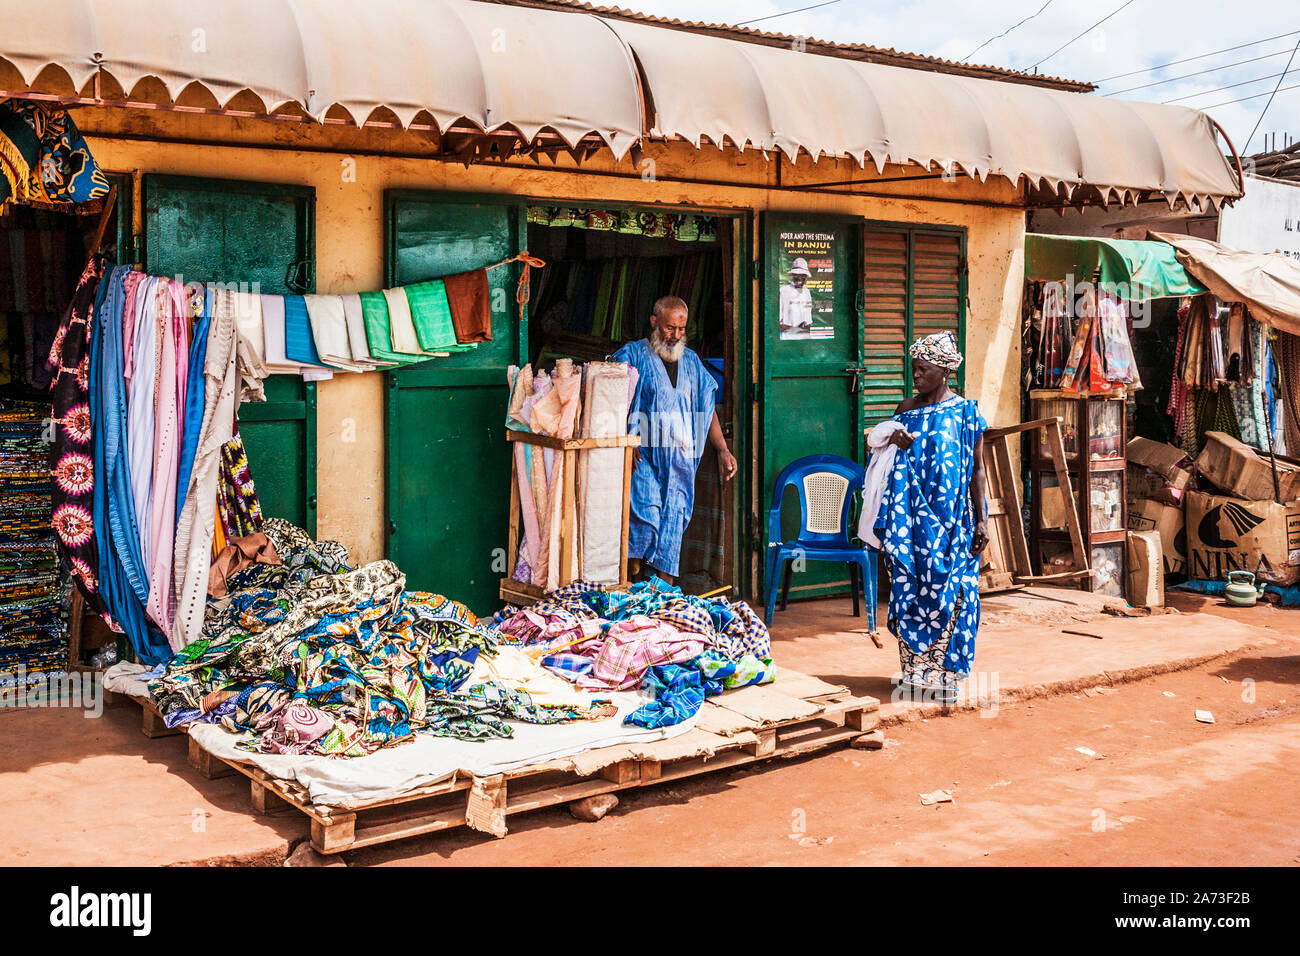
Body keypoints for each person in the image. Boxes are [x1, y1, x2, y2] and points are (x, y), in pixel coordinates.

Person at [873, 330, 987, 703]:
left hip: (954, 521)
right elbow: (879, 452)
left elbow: (978, 471)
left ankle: (947, 676)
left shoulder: (968, 414)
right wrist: (892, 438)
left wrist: (983, 519)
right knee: (910, 587)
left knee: (955, 594)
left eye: (922, 369)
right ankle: (915, 674)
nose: (915, 376)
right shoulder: (906, 411)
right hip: (911, 523)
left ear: (943, 370)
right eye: (914, 369)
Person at [613, 296, 737, 584]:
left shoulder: (692, 362)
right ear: (654, 322)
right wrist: (624, 443)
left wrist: (722, 450)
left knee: (673, 522)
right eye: (670, 328)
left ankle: (663, 597)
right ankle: (634, 586)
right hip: (641, 455)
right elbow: (610, 398)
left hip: (681, 461)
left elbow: (707, 410)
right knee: (646, 514)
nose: (676, 335)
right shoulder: (632, 355)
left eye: (681, 329)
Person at [779, 258, 813, 334]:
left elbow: (808, 320)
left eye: (803, 275)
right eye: (797, 275)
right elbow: (777, 323)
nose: (800, 277)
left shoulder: (807, 292)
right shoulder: (783, 291)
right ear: (792, 275)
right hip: (788, 339)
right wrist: (796, 330)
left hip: (805, 339)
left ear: (806, 276)